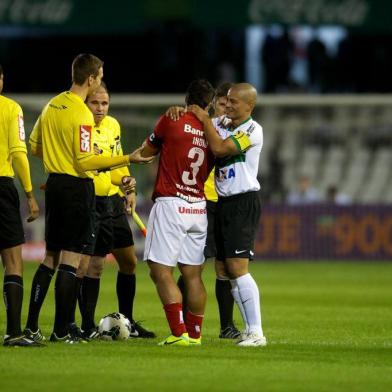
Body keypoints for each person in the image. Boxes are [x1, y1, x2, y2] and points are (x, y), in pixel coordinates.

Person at [28, 53, 152, 343]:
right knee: (72, 261)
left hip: (55, 184)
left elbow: (34, 146)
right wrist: (127, 157)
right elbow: (84, 162)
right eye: (100, 75)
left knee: (50, 257)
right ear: (92, 77)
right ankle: (62, 329)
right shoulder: (81, 113)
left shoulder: (52, 105)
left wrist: (58, 162)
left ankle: (33, 326)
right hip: (75, 188)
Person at [189, 82, 267, 347]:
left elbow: (221, 149)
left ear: (249, 106)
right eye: (227, 100)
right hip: (223, 201)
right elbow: (200, 127)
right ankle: (247, 330)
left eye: (234, 102)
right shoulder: (221, 122)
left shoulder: (253, 131)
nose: (228, 105)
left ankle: (256, 331)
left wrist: (206, 121)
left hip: (242, 202)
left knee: (237, 267)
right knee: (223, 268)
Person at [75, 82, 155, 339]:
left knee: (129, 262)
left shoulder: (113, 125)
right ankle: (87, 326)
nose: (100, 108)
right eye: (95, 103)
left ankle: (127, 323)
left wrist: (127, 186)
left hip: (113, 202)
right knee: (94, 266)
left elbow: (118, 163)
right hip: (92, 203)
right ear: (85, 103)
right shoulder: (81, 128)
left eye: (104, 103)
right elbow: (90, 165)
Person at [141, 79, 215, 346]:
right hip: (198, 207)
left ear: (187, 99)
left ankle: (178, 332)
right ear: (211, 104)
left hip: (172, 203)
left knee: (160, 271)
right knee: (193, 275)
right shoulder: (213, 131)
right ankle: (194, 334)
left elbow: (147, 151)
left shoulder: (171, 119)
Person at [175, 82, 241, 339]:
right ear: (214, 105)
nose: (226, 108)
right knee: (194, 267)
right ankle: (179, 323)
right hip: (202, 202)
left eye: (230, 104)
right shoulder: (202, 126)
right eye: (222, 103)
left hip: (227, 202)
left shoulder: (239, 131)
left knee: (226, 268)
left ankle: (226, 326)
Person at [0, 64, 42, 347]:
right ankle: (14, 332)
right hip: (1, 187)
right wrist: (29, 193)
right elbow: (18, 154)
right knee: (13, 262)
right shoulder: (11, 109)